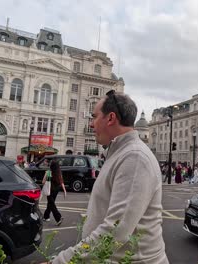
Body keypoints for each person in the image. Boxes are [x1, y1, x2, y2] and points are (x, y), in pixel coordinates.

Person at [49, 91, 168, 264]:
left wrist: (61, 261)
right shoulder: (120, 153)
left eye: (95, 116)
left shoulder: (134, 157)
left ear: (111, 118)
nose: (91, 124)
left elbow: (116, 230)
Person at [43, 160, 67, 225]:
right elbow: (61, 182)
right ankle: (46, 216)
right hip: (56, 189)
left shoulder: (48, 172)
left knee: (51, 204)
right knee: (51, 203)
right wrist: (64, 190)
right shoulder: (59, 173)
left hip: (50, 190)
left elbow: (43, 182)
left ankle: (58, 218)